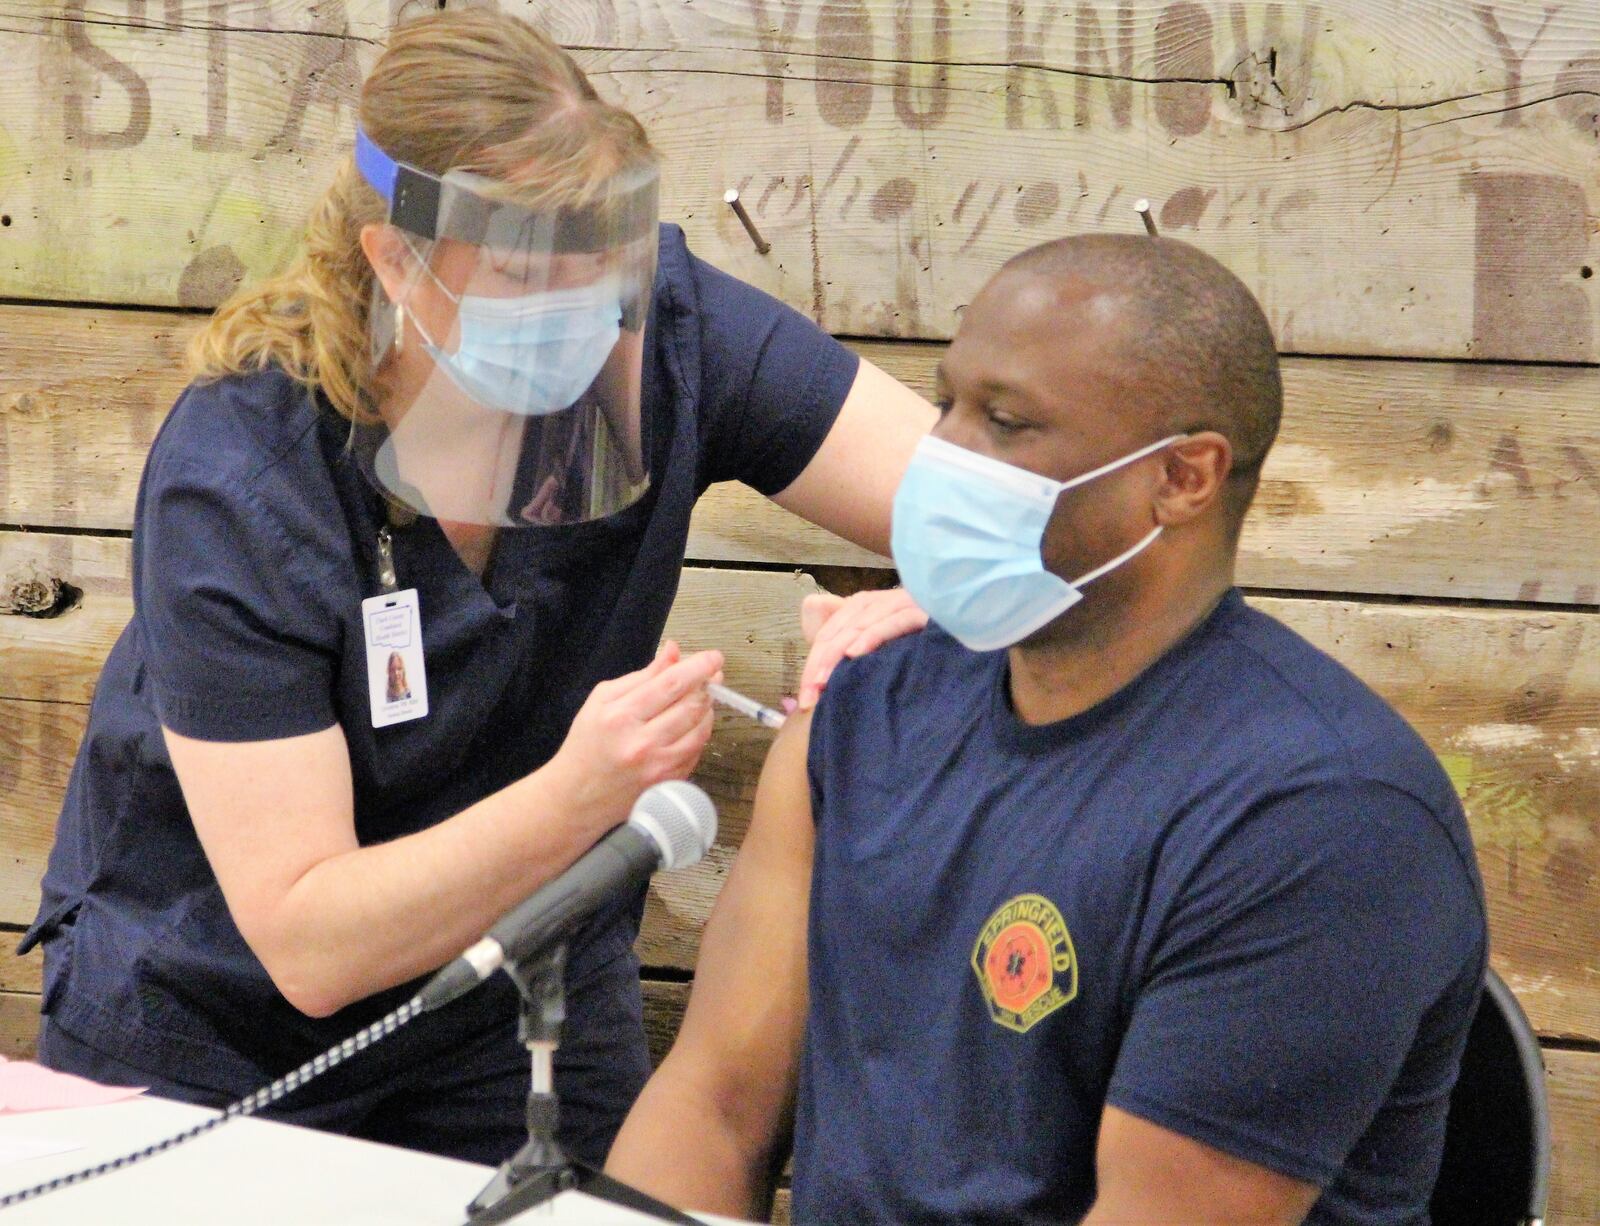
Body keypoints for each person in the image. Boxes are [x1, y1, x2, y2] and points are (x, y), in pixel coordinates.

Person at [18, 9, 933, 1168]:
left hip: (528, 988)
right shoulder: (245, 473)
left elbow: (977, 501)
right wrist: (583, 791)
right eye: (518, 269)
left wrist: (935, 595)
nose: (579, 302)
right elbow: (309, 937)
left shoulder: (666, 330)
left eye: (601, 253)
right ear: (397, 258)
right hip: (221, 1019)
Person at [608, 235, 1489, 1224]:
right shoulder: (865, 712)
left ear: (1184, 477)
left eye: (1006, 421)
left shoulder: (1322, 817)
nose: (942, 451)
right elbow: (713, 1104)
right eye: (945, 402)